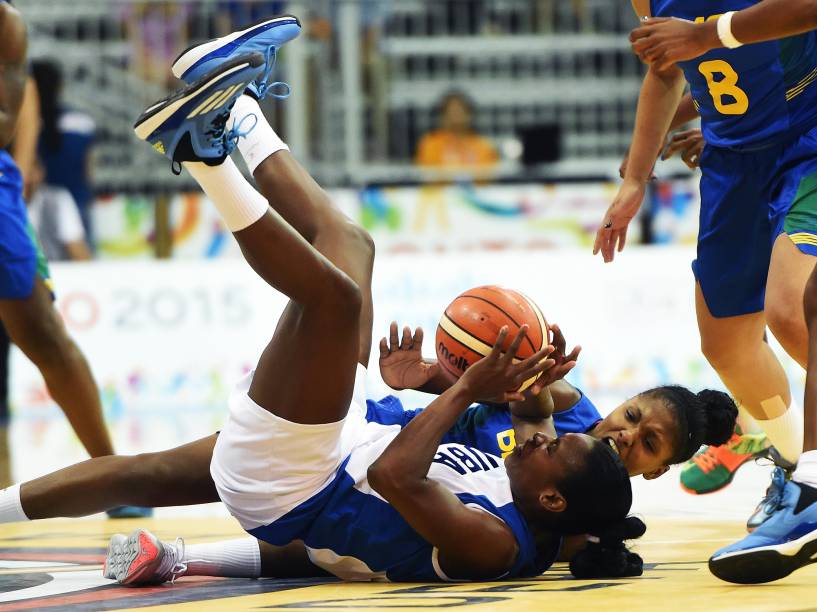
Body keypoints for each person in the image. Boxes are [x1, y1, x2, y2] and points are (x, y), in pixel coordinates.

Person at [0, 28, 633, 586]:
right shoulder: (540, 474)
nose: (540, 442)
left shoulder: (496, 545)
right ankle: (238, 104)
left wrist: (465, 388)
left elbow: (393, 478)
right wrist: (528, 372)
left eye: (549, 449)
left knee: (336, 297)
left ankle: (202, 155)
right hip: (343, 430)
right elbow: (531, 412)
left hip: (298, 484)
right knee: (352, 243)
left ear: (551, 500)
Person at [593, 0, 817, 533]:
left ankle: (810, 475)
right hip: (732, 162)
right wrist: (635, 179)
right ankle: (788, 466)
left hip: (807, 138)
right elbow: (666, 69)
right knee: (726, 345)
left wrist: (707, 35)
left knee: (792, 310)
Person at [0, 1, 119, 465]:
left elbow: (14, 104)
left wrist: (25, 166)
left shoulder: (6, 24)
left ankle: (109, 470)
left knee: (42, 332)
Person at [30, 60, 97, 249]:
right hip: (77, 202)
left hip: (37, 207)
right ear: (60, 86)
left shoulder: (27, 125)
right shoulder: (82, 121)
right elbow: (88, 170)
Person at [26, 159, 92, 262]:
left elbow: (78, 250)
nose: (26, 178)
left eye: (31, 171)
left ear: (41, 172)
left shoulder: (57, 200)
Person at [415, 91, 499, 172]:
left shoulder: (483, 146)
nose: (455, 116)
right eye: (451, 111)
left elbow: (487, 176)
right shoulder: (430, 144)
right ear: (442, 117)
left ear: (469, 115)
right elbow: (429, 175)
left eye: (460, 110)